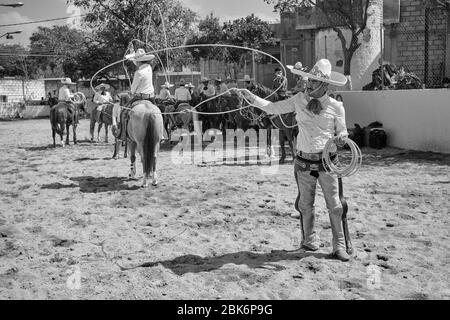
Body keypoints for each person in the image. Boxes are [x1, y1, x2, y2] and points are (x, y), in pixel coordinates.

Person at [237, 59, 351, 262]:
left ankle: (339, 245)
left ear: (324, 85)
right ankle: (309, 240)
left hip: (327, 163)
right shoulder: (298, 99)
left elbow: (342, 130)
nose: (308, 85)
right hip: (303, 161)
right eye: (309, 81)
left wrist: (342, 137)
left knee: (334, 205)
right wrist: (252, 98)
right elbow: (272, 108)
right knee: (305, 204)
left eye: (314, 82)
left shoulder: (336, 106)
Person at [117, 48, 157, 142]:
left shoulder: (138, 73)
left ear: (138, 62)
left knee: (123, 113)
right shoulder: (149, 67)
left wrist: (131, 92)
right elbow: (140, 63)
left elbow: (133, 89)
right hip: (151, 97)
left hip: (139, 97)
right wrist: (132, 54)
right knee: (159, 113)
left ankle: (122, 135)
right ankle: (162, 134)